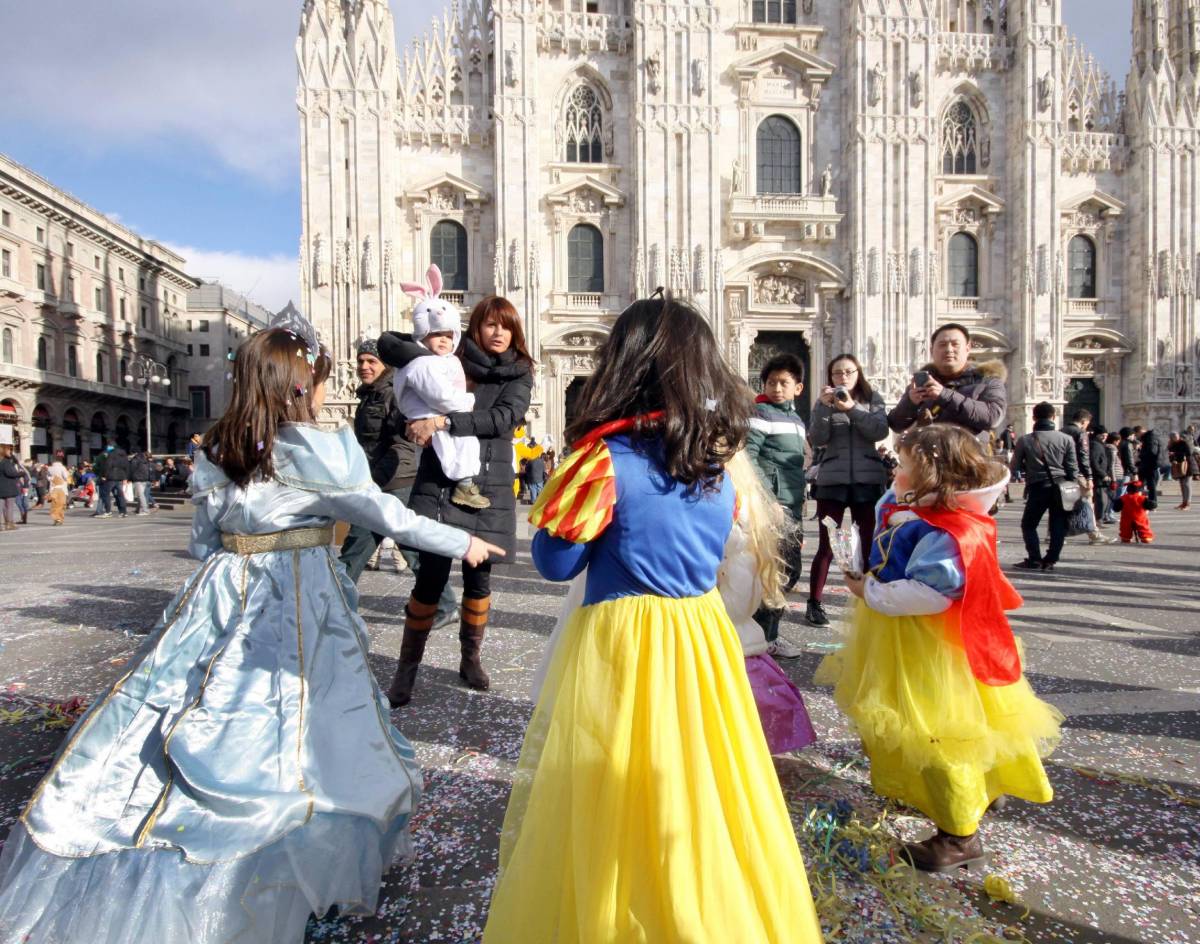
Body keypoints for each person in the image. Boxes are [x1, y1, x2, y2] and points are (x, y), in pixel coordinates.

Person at [0, 323, 503, 943]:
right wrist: (465, 541)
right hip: (295, 596)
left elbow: (202, 539)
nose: (324, 392)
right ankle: (280, 862)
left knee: (195, 700)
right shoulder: (320, 444)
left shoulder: (217, 444)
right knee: (294, 720)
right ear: (300, 384)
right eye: (319, 381)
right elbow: (382, 512)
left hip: (218, 588)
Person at [482, 295, 823, 943]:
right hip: (700, 637)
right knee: (695, 779)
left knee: (615, 786)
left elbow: (556, 564)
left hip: (624, 638)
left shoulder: (602, 461)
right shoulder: (716, 468)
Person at [816, 424, 1061, 871]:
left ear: (931, 474)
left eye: (905, 465)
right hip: (906, 638)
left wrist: (867, 591)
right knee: (936, 727)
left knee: (940, 733)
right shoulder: (925, 514)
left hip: (928, 646)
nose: (897, 470)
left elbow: (930, 593)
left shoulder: (950, 531)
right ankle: (969, 798)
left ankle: (959, 835)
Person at [379, 295, 534, 706]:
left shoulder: (521, 374)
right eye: (489, 325)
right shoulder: (450, 358)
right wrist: (413, 421)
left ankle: (470, 657)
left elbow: (503, 419)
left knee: (478, 576)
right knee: (429, 575)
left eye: (506, 326)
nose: (498, 333)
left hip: (489, 483)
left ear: (515, 331)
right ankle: (405, 670)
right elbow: (404, 368)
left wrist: (445, 421)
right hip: (440, 479)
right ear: (474, 328)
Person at [337, 338, 459, 623]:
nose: (364, 366)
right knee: (405, 549)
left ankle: (334, 605)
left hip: (393, 483)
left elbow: (402, 444)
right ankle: (445, 604)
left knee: (361, 548)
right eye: (360, 361)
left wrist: (373, 482)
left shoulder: (393, 393)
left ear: (386, 365)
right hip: (380, 483)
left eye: (371, 361)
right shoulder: (370, 394)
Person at [722, 451, 817, 755]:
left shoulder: (730, 536)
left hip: (724, 644)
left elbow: (732, 604)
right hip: (742, 637)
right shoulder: (749, 525)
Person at [393, 264, 490, 510]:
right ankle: (465, 484)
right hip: (430, 415)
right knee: (460, 443)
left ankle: (464, 483)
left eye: (449, 335)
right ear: (422, 335)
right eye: (437, 335)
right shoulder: (422, 364)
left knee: (459, 444)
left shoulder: (435, 361)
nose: (444, 339)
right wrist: (467, 402)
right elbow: (442, 397)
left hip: (432, 418)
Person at [805, 352, 889, 627]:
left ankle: (868, 600)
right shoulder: (824, 403)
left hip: (867, 479)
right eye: (837, 372)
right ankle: (814, 603)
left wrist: (852, 407)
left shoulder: (872, 399)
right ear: (830, 376)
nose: (843, 377)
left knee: (868, 540)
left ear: (858, 373)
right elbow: (818, 438)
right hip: (832, 482)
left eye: (848, 372)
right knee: (828, 545)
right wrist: (822, 407)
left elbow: (879, 431)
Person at [746, 352, 808, 658]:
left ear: (798, 387)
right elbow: (748, 458)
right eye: (771, 382)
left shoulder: (796, 420)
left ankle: (768, 631)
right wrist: (768, 502)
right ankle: (763, 635)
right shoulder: (761, 412)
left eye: (784, 382)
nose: (776, 388)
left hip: (792, 505)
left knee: (789, 571)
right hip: (773, 508)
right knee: (775, 572)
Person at [887, 323, 1007, 439]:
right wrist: (910, 403)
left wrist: (944, 395)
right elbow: (896, 425)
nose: (949, 349)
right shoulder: (922, 384)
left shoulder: (987, 381)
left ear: (968, 348)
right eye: (942, 344)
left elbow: (992, 417)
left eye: (955, 344)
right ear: (931, 350)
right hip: (927, 456)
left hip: (968, 457)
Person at [1008, 401, 1079, 572]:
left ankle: (1034, 559)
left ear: (1034, 417)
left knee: (1029, 524)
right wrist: (1072, 487)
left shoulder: (1025, 440)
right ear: (1054, 416)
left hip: (1038, 487)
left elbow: (1014, 466)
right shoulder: (1066, 439)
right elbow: (1072, 467)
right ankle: (1051, 560)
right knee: (1058, 524)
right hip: (1061, 486)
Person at [1062, 409, 1113, 545]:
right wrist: (1089, 476)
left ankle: (1054, 534)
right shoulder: (1080, 433)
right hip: (1078, 474)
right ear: (1083, 421)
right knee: (1088, 501)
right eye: (1087, 424)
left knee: (1061, 504)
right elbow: (1084, 456)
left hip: (1062, 473)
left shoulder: (1060, 431)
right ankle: (1094, 534)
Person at [1114, 478, 1155, 543]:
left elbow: (1116, 507)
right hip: (1140, 517)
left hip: (1126, 517)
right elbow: (1151, 505)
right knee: (1143, 526)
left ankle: (1125, 537)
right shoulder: (1142, 498)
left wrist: (1116, 508)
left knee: (1125, 528)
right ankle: (1146, 537)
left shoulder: (1124, 498)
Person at [1089, 424, 1114, 527]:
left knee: (1103, 499)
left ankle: (1099, 519)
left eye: (1106, 435)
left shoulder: (1100, 445)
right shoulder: (1095, 445)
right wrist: (1103, 474)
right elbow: (1094, 462)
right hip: (1098, 477)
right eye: (1102, 435)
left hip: (1101, 476)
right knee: (1100, 500)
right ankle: (1098, 520)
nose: (1104, 437)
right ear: (1097, 435)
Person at [1137, 426, 1167, 504]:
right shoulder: (1153, 436)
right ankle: (1147, 501)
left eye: (1137, 435)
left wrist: (1141, 455)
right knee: (1148, 483)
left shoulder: (1150, 438)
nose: (1137, 437)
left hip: (1150, 464)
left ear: (1140, 432)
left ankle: (1152, 502)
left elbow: (1152, 451)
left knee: (1150, 484)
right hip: (1152, 463)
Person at [1168, 431, 1198, 510]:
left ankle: (1188, 503)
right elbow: (1170, 453)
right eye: (1172, 437)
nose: (1174, 438)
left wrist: (1175, 455)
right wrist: (1172, 457)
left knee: (1187, 484)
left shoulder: (1184, 442)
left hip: (1188, 465)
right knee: (1182, 484)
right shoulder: (1172, 444)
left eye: (1175, 436)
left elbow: (1189, 453)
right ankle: (1184, 502)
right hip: (1179, 466)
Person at [0, 445, 21, 531]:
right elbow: (11, 473)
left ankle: (1, 525)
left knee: (1, 506)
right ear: (4, 451)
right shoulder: (5, 461)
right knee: (9, 506)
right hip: (8, 487)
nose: (10, 452)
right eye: (9, 450)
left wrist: (11, 456)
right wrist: (20, 473)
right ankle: (9, 523)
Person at [46, 451, 69, 526]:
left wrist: (53, 478)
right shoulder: (62, 468)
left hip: (53, 488)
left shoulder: (50, 468)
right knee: (61, 505)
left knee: (55, 504)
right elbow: (66, 477)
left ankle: (56, 519)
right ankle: (60, 519)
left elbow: (48, 477)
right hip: (62, 488)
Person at [130, 450, 155, 515]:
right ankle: (140, 509)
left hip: (138, 479)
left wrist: (129, 478)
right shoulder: (145, 461)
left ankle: (145, 510)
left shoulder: (135, 460)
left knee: (141, 495)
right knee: (141, 495)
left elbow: (132, 469)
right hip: (145, 479)